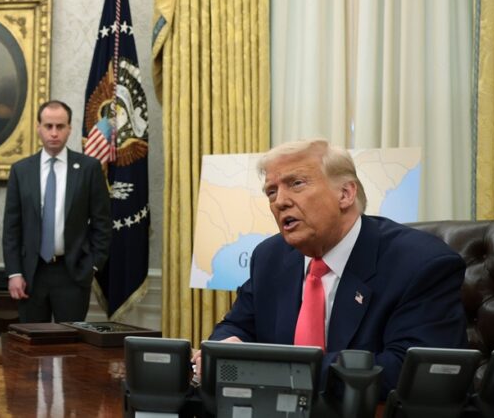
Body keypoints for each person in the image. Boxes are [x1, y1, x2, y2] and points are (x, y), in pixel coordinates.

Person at [199, 139, 467, 398]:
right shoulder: (270, 257)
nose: (280, 201)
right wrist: (225, 347)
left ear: (345, 193)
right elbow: (236, 326)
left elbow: (407, 370)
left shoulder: (420, 264)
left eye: (297, 183)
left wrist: (274, 372)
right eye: (271, 191)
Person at [3, 100, 111, 322]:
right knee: (32, 347)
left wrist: (91, 265)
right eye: (48, 126)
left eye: (60, 127)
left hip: (72, 273)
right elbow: (12, 228)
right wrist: (14, 272)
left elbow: (103, 223)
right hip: (31, 274)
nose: (54, 133)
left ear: (70, 128)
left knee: (70, 346)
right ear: (38, 127)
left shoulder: (89, 168)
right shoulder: (21, 170)